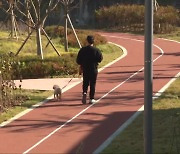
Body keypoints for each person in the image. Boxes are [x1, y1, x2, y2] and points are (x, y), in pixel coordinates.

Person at [76, 35, 103, 104]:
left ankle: (84, 92)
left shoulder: (82, 50)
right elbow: (100, 59)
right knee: (92, 83)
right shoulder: (96, 50)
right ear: (93, 41)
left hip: (85, 69)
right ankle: (91, 98)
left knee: (85, 82)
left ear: (87, 41)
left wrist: (82, 64)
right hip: (93, 69)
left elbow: (78, 60)